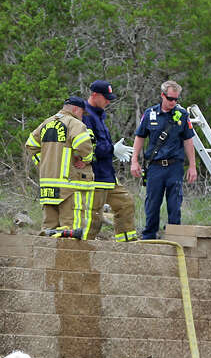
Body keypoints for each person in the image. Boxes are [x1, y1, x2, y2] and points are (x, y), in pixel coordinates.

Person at [129, 79, 197, 240]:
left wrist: (192, 166)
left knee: (175, 204)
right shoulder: (150, 113)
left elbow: (188, 141)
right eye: (170, 98)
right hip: (155, 166)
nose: (173, 102)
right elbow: (140, 137)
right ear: (162, 95)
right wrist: (134, 160)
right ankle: (149, 236)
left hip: (174, 166)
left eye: (176, 99)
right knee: (152, 203)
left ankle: (174, 238)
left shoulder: (182, 115)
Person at [25, 96, 95, 237]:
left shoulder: (47, 123)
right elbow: (83, 145)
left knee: (48, 230)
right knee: (70, 230)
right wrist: (85, 160)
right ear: (76, 109)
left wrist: (43, 162)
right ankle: (70, 259)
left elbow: (31, 144)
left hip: (48, 187)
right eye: (82, 113)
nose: (82, 117)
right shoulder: (74, 123)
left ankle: (45, 258)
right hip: (68, 186)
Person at [83, 80, 137, 241]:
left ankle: (127, 243)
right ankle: (82, 249)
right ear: (94, 95)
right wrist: (112, 149)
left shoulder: (99, 115)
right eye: (105, 98)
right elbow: (88, 147)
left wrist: (112, 149)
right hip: (94, 175)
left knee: (126, 203)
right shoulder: (86, 116)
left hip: (107, 174)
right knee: (94, 216)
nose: (108, 101)